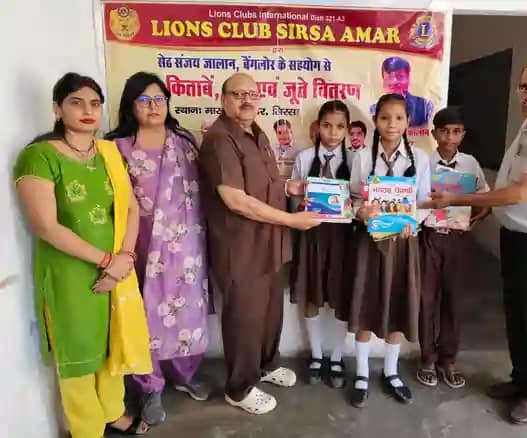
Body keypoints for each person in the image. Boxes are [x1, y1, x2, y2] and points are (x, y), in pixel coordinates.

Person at [430, 59, 527, 425]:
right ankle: (520, 379)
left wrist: (458, 200)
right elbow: (507, 184)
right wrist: (486, 208)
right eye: (525, 88)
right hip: (515, 236)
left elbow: (522, 192)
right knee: (517, 315)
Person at [13, 73, 151, 437]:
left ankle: (112, 413)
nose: (87, 110)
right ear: (57, 108)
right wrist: (108, 262)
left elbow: (131, 209)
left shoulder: (108, 154)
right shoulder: (38, 156)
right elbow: (46, 226)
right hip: (70, 276)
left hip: (117, 269)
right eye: (76, 102)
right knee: (78, 357)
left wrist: (124, 259)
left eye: (94, 103)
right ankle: (87, 429)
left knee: (112, 345)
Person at [198, 72, 321, 415]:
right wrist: (291, 221)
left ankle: (266, 365)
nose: (247, 100)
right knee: (245, 317)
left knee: (269, 312)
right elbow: (236, 200)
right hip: (241, 247)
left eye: (252, 94)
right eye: (239, 95)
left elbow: (264, 182)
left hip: (270, 242)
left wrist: (289, 187)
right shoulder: (220, 139)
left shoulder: (257, 133)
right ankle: (239, 388)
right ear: (223, 99)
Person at [105, 72, 211, 426]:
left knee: (187, 312)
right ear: (130, 105)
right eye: (144, 100)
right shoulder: (117, 147)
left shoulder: (185, 141)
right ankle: (149, 386)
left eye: (159, 99)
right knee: (145, 314)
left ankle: (185, 374)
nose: (153, 106)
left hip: (187, 247)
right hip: (141, 246)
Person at [349, 93, 434, 408]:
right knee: (365, 303)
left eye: (399, 118)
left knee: (399, 302)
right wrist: (361, 212)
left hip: (403, 243)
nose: (392, 124)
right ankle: (361, 373)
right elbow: (353, 198)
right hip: (369, 243)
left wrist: (414, 221)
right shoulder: (362, 157)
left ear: (408, 121)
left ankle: (391, 371)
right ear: (375, 121)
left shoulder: (420, 158)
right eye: (385, 117)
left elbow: (424, 201)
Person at [416, 107, 490, 390]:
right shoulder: (423, 162)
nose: (450, 137)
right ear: (434, 134)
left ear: (463, 135)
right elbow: (412, 198)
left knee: (454, 301)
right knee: (426, 300)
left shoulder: (470, 164)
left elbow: (485, 198)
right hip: (429, 237)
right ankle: (427, 358)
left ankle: (448, 360)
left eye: (456, 131)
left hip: (458, 239)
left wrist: (478, 218)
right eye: (444, 131)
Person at [290, 100, 353, 388]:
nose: (333, 132)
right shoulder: (304, 158)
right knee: (311, 295)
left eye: (340, 126)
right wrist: (299, 204)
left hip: (344, 239)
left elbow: (362, 198)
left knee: (341, 297)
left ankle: (337, 357)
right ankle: (316, 356)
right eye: (327, 125)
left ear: (348, 130)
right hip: (311, 235)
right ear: (317, 127)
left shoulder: (356, 160)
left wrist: (353, 206)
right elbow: (292, 197)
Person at [370, 57, 434, 127]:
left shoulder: (425, 106)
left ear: (408, 78)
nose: (394, 82)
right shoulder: (374, 109)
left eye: (400, 77)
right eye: (389, 77)